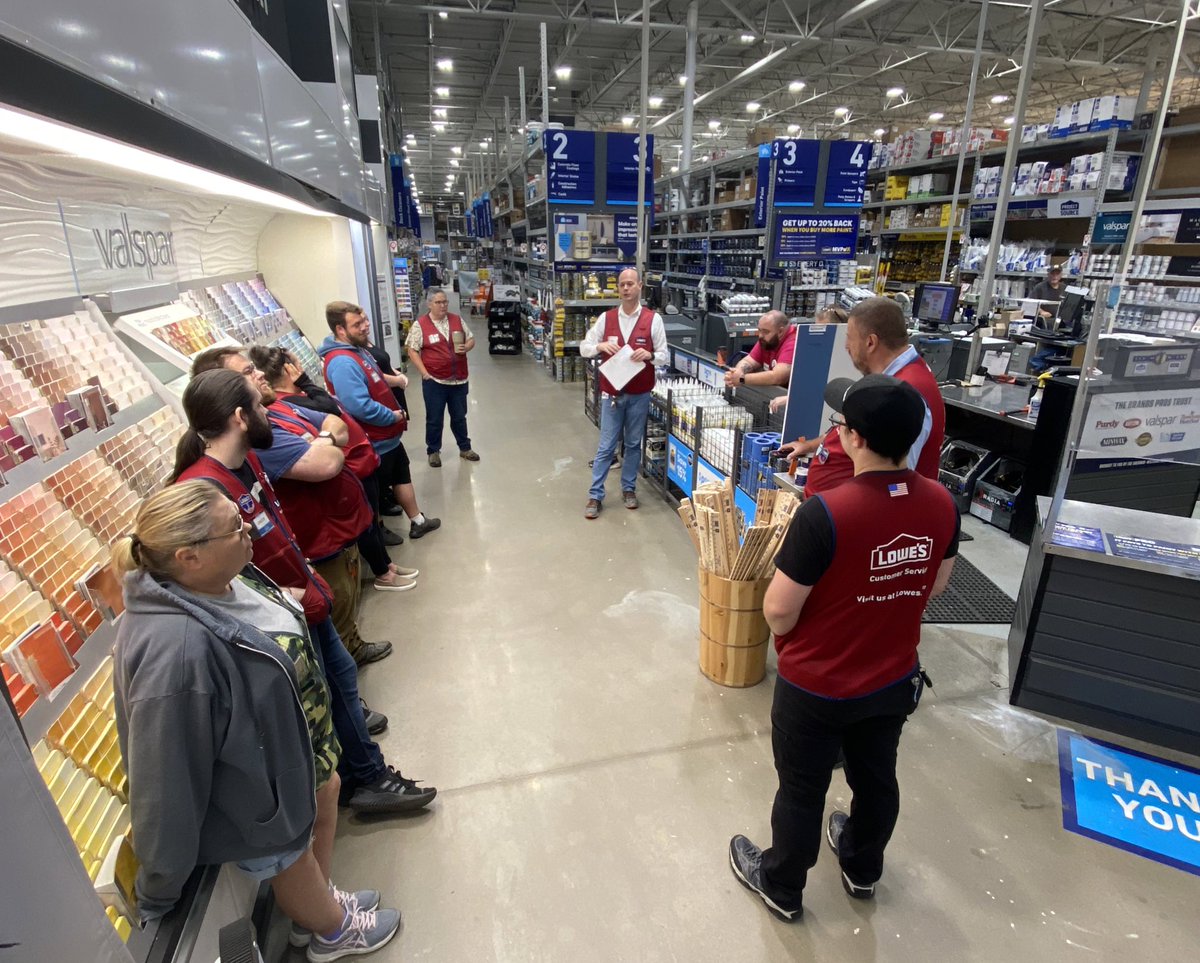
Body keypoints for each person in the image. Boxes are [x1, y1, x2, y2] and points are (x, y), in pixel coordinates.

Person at [112, 481, 401, 959]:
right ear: (189, 556)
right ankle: (329, 931)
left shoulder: (222, 578)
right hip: (261, 793)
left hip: (291, 765)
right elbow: (164, 779)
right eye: (233, 528)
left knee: (312, 829)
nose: (249, 528)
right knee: (289, 860)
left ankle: (319, 905)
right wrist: (159, 886)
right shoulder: (175, 657)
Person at [728, 374, 960, 922]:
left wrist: (794, 640)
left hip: (818, 684)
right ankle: (862, 864)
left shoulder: (825, 513)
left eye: (840, 424)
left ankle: (782, 884)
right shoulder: (942, 504)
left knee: (802, 787)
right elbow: (939, 585)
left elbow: (780, 608)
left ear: (854, 438)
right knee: (876, 776)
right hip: (892, 676)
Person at [171, 368, 436, 814]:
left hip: (302, 600)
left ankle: (362, 771)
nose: (267, 412)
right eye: (258, 406)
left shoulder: (249, 459)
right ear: (240, 416)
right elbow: (210, 579)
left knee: (341, 681)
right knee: (328, 691)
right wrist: (279, 598)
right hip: (278, 616)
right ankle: (366, 779)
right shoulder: (204, 489)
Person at [204, 348, 409, 676]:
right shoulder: (259, 441)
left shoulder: (276, 413)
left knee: (341, 608)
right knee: (331, 629)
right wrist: (328, 444)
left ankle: (352, 649)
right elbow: (327, 463)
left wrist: (322, 438)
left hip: (326, 537)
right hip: (317, 540)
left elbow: (336, 423)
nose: (258, 375)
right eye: (246, 372)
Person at [247, 345, 419, 598]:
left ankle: (387, 565)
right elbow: (331, 414)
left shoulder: (298, 398)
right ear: (288, 369)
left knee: (370, 520)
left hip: (356, 467)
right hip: (345, 476)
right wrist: (330, 438)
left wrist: (327, 435)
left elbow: (334, 421)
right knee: (364, 531)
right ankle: (383, 572)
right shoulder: (288, 403)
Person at [777, 297, 945, 497]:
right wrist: (811, 445)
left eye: (849, 338)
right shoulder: (889, 381)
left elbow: (897, 481)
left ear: (870, 342)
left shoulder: (906, 394)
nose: (846, 346)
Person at [319, 302, 442, 541]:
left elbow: (372, 375)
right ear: (340, 330)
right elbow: (359, 406)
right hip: (373, 440)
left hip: (388, 438)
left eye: (365, 320)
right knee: (374, 491)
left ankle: (417, 520)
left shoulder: (357, 350)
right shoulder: (342, 362)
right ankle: (378, 532)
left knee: (401, 475)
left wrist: (393, 380)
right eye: (358, 324)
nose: (366, 326)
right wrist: (391, 416)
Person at [579, 268, 669, 518]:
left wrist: (650, 356)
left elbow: (664, 356)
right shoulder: (605, 318)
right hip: (612, 396)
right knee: (606, 446)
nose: (626, 288)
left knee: (632, 443)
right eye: (622, 284)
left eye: (631, 283)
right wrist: (600, 345)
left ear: (640, 286)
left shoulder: (653, 320)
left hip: (640, 394)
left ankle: (628, 489)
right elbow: (584, 347)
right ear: (618, 289)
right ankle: (595, 495)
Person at [405, 288, 481, 466]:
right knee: (434, 417)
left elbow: (471, 339)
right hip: (435, 381)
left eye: (445, 301)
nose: (443, 305)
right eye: (438, 302)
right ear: (429, 304)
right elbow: (412, 350)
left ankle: (465, 448)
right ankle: (433, 451)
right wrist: (424, 373)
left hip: (459, 379)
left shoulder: (456, 319)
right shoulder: (420, 325)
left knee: (459, 416)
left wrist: (466, 347)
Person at [767, 306, 849, 415]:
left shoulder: (846, 356)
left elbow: (827, 390)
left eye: (823, 329)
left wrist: (790, 399)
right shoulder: (817, 352)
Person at [723, 310, 795, 389]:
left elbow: (778, 377)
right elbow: (749, 361)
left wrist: (742, 379)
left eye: (765, 332)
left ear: (780, 331)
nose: (760, 336)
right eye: (759, 330)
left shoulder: (793, 341)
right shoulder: (767, 340)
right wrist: (739, 371)